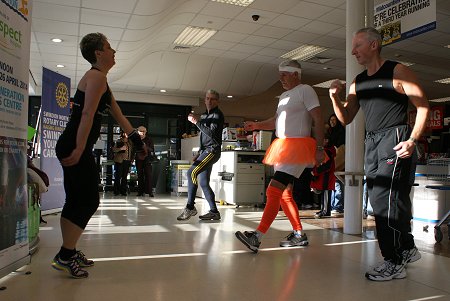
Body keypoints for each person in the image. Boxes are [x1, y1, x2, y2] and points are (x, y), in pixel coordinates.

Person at [329, 27, 429, 281]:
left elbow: (423, 106)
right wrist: (334, 98)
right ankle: (406, 247)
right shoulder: (358, 82)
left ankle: (393, 260)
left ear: (374, 45)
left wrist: (412, 140)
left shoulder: (398, 71)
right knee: (385, 196)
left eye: (357, 46)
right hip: (372, 141)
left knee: (383, 199)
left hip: (395, 138)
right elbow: (347, 118)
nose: (353, 52)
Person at [53, 32, 144, 278]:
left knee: (75, 199)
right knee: (89, 200)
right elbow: (86, 116)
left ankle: (68, 252)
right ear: (98, 53)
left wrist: (138, 142)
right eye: (109, 47)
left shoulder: (101, 80)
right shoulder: (95, 77)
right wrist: (81, 149)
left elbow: (120, 116)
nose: (114, 51)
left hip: (73, 144)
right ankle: (65, 253)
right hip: (74, 144)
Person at [235, 60, 325, 253]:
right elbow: (276, 121)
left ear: (296, 74)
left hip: (298, 146)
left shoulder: (306, 90)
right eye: (280, 74)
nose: (281, 78)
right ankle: (299, 234)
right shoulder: (284, 96)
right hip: (283, 147)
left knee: (273, 190)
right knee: (284, 194)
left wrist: (319, 147)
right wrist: (257, 125)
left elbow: (318, 118)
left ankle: (257, 236)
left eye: (285, 74)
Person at [177, 89, 224, 221]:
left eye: (212, 99)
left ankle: (190, 207)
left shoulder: (217, 115)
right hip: (205, 151)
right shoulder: (204, 115)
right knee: (203, 183)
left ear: (217, 101)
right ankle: (214, 212)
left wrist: (196, 122)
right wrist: (199, 153)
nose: (209, 101)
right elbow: (203, 136)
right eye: (207, 98)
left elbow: (212, 134)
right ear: (204, 100)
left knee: (191, 173)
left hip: (212, 151)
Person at [311, 135, 336, 219]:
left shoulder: (328, 151)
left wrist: (316, 171)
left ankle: (325, 211)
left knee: (326, 193)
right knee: (324, 193)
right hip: (325, 176)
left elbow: (327, 166)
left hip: (327, 176)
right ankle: (323, 209)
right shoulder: (328, 150)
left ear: (327, 140)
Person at [328, 114, 345, 217]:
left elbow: (340, 145)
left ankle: (337, 206)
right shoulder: (331, 132)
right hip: (334, 157)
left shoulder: (341, 132)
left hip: (339, 157)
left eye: (334, 120)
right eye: (331, 120)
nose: (332, 122)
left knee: (338, 182)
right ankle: (335, 206)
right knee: (335, 182)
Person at [135, 126, 156, 197]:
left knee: (148, 176)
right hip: (138, 159)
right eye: (140, 131)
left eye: (143, 131)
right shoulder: (136, 140)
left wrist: (145, 146)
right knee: (140, 176)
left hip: (147, 159)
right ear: (138, 131)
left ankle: (150, 192)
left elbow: (152, 149)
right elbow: (133, 149)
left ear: (146, 132)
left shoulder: (149, 139)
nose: (142, 132)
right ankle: (140, 192)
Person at [112, 132, 133, 196]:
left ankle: (123, 191)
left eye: (127, 133)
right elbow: (114, 150)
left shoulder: (130, 142)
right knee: (118, 176)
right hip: (120, 161)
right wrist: (120, 148)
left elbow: (132, 151)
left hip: (127, 161)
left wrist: (131, 160)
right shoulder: (119, 141)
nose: (126, 134)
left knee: (124, 177)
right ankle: (116, 191)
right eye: (125, 133)